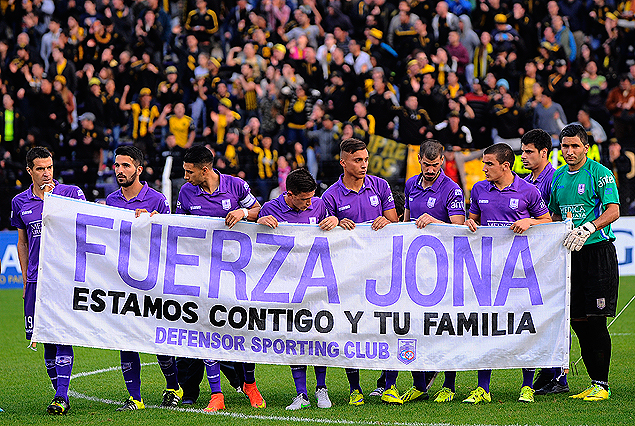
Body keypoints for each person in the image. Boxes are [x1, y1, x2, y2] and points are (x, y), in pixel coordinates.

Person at [175, 145, 264, 412]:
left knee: (243, 329)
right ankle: (216, 395)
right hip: (203, 274)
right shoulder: (186, 192)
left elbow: (259, 210)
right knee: (206, 330)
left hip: (237, 274)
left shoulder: (235, 186)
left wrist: (243, 213)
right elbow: (177, 226)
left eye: (190, 172)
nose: (185, 176)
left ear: (205, 170)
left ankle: (250, 385)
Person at [377, 140, 466, 405]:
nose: (430, 169)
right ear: (419, 160)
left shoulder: (452, 189)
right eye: (426, 164)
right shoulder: (410, 185)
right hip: (413, 267)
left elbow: (459, 227)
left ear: (442, 161)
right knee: (410, 324)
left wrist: (434, 221)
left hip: (442, 267)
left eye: (435, 164)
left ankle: (449, 386)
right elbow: (406, 221)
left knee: (445, 327)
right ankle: (418, 385)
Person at [465, 143, 552, 404]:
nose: (483, 168)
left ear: (505, 166)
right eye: (483, 163)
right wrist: (470, 223)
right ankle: (483, 388)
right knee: (486, 326)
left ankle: (527, 386)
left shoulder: (528, 190)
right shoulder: (479, 189)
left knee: (524, 325)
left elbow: (547, 222)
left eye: (488, 164)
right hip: (488, 270)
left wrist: (530, 221)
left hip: (520, 272)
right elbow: (474, 220)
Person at [321, 138, 399, 406]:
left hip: (382, 269)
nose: (364, 164)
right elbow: (324, 230)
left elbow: (394, 221)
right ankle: (355, 389)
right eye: (358, 160)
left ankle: (388, 385)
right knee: (350, 329)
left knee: (387, 325)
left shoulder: (380, 185)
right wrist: (335, 222)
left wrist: (385, 220)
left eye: (366, 159)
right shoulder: (331, 195)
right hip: (350, 272)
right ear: (343, 162)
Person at [105, 146, 182, 411]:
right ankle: (135, 398)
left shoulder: (157, 200)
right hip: (122, 280)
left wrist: (156, 221)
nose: (120, 170)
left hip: (153, 280)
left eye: (126, 165)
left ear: (138, 169)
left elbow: (171, 237)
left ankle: (174, 387)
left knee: (157, 338)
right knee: (126, 338)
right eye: (117, 165)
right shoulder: (111, 200)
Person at [11, 147, 86, 415]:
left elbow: (86, 227)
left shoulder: (71, 194)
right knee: (45, 337)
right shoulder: (19, 202)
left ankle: (61, 396)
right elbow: (22, 243)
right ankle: (59, 393)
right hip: (36, 280)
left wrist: (55, 202)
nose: (46, 173)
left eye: (50, 167)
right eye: (40, 169)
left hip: (63, 278)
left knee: (61, 334)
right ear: (29, 171)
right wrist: (25, 280)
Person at [257, 168, 338, 410]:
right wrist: (258, 223)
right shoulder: (270, 209)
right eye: (304, 199)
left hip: (317, 281)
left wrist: (335, 220)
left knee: (319, 334)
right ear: (290, 194)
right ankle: (301, 394)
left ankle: (321, 388)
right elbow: (255, 240)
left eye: (311, 197)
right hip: (288, 283)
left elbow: (335, 231)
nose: (309, 203)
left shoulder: (319, 205)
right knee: (296, 337)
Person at [549, 124, 620, 401]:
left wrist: (589, 227)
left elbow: (613, 210)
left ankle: (602, 385)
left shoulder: (600, 174)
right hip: (571, 254)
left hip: (597, 252)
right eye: (565, 146)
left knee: (596, 320)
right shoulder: (557, 177)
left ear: (585, 148)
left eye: (574, 146)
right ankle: (594, 382)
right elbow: (555, 215)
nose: (569, 151)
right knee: (577, 320)